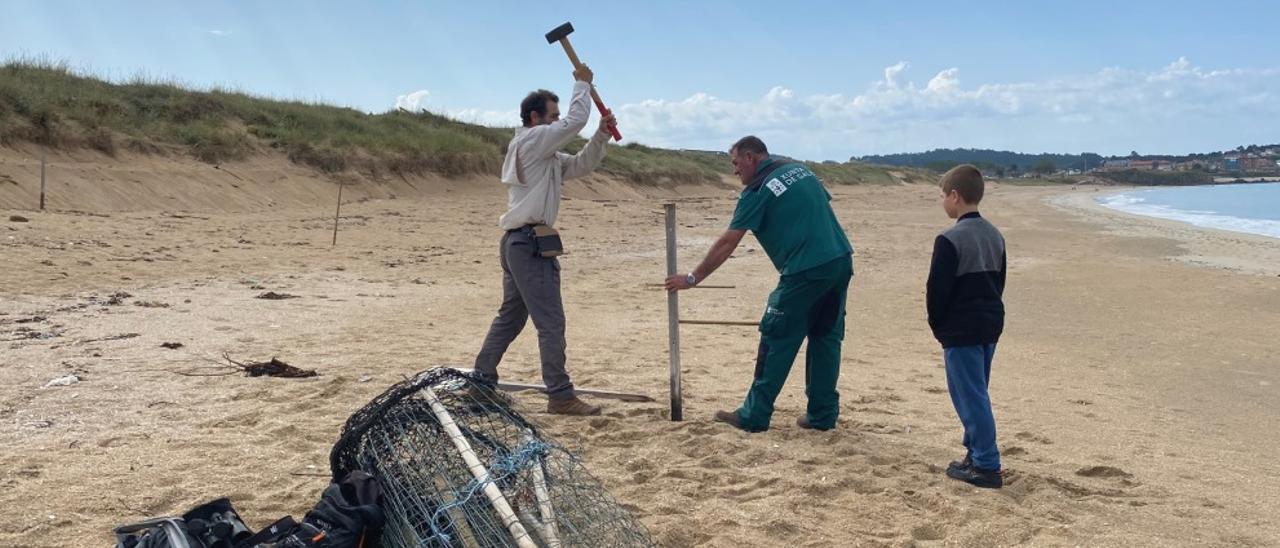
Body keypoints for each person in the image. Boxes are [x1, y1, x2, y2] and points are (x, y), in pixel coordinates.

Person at [665, 136, 853, 432]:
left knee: (776, 337)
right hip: (840, 259)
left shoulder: (757, 191)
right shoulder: (800, 169)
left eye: (736, 163)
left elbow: (728, 242)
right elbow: (816, 206)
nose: (735, 171)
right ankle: (823, 415)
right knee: (825, 337)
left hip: (804, 271)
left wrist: (692, 278)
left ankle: (754, 415)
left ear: (751, 157)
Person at [472, 64, 617, 416]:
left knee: (510, 318)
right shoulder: (533, 140)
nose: (556, 122)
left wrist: (600, 136)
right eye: (551, 116)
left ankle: (480, 384)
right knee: (550, 322)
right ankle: (560, 395)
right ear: (535, 118)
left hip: (518, 243)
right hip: (528, 244)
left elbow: (580, 165)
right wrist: (582, 84)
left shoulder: (542, 153)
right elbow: (573, 122)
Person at [927, 164, 1008, 488]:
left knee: (971, 396)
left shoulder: (950, 239)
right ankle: (975, 453)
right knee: (977, 391)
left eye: (943, 196)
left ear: (955, 196)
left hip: (962, 328)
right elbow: (999, 282)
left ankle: (986, 464)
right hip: (989, 323)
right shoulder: (995, 234)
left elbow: (937, 291)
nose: (943, 201)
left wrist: (939, 326)